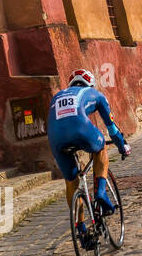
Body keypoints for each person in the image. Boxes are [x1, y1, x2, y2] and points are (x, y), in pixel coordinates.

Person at [46, 69, 130, 245]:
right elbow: (112, 128)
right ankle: (100, 194)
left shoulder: (57, 96)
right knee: (101, 150)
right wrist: (123, 147)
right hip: (80, 129)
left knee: (71, 182)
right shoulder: (95, 94)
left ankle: (81, 230)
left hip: (56, 138)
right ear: (90, 84)